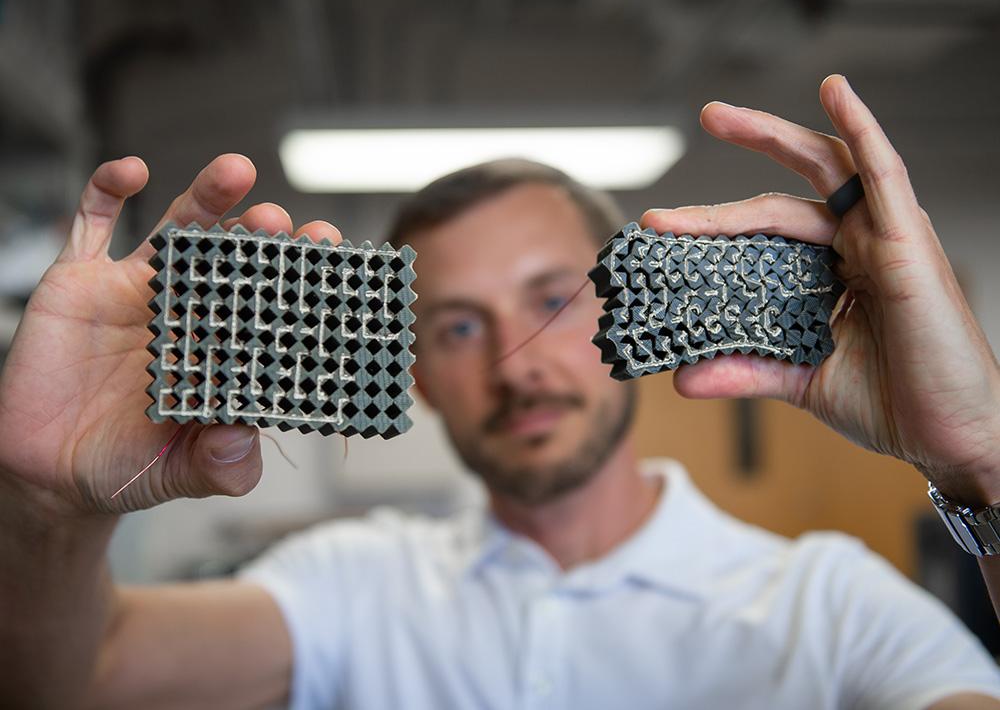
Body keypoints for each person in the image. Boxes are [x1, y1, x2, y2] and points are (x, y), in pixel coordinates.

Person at [1, 75, 999, 709]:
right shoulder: (353, 586)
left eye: (550, 300)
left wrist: (981, 459)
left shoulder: (828, 605)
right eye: (460, 324)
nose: (516, 363)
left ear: (624, 317)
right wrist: (44, 506)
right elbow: (79, 680)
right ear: (420, 378)